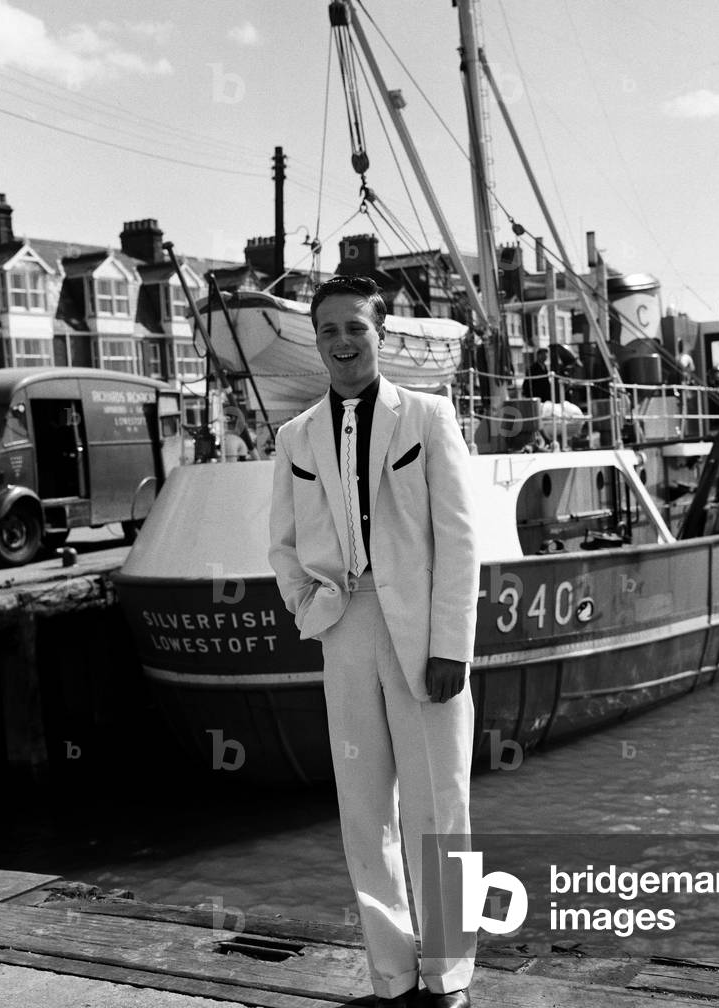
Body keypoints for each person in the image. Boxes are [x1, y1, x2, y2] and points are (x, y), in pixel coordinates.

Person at [269, 274, 480, 1008]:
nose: (342, 341)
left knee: (439, 808)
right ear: (316, 340)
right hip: (346, 630)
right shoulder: (294, 437)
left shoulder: (428, 416)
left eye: (355, 326)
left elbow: (460, 538)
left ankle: (447, 973)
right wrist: (310, 608)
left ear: (380, 334)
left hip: (422, 633)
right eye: (327, 329)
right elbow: (282, 544)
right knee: (363, 813)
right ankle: (391, 975)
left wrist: (451, 643)